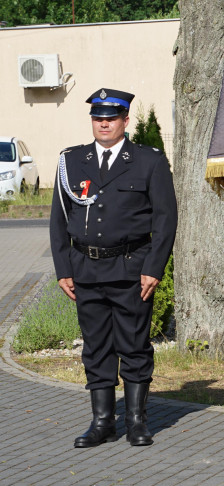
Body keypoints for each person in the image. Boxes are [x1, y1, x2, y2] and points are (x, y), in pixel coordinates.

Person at [50, 88, 177, 448]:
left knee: (134, 345)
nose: (103, 123)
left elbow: (166, 219)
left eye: (111, 118)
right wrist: (63, 268)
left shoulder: (148, 161)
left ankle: (136, 421)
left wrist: (154, 267)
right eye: (97, 118)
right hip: (86, 270)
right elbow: (59, 219)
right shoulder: (71, 161)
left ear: (125, 120)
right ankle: (103, 422)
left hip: (130, 269)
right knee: (96, 347)